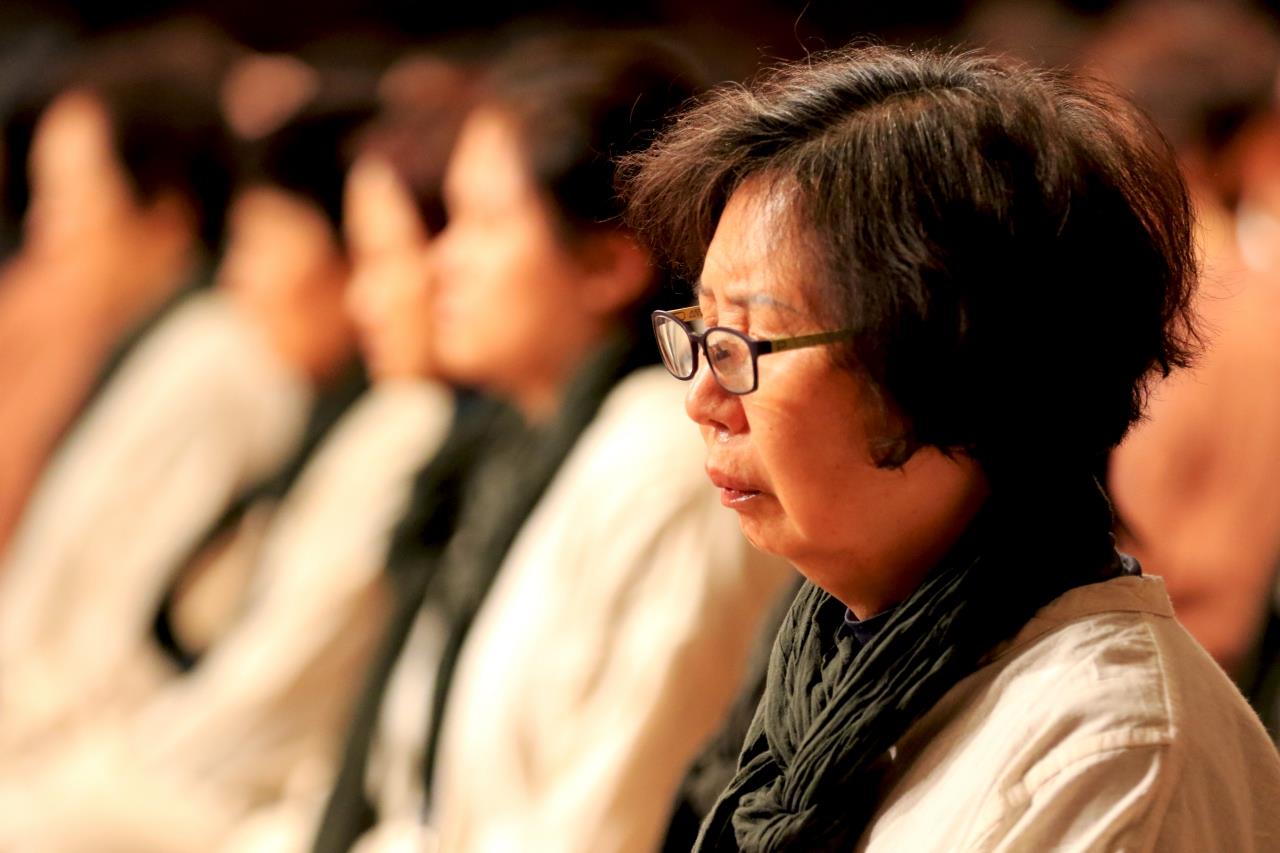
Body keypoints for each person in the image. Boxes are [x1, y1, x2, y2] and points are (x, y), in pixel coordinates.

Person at [622, 45, 1280, 850]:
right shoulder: (835, 657)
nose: (703, 399)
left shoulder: (1111, 751)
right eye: (705, 329)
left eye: (750, 340)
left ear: (952, 367)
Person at [313, 33, 790, 853]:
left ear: (608, 263)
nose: (441, 263)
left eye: (484, 222)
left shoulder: (670, 466)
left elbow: (608, 826)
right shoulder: (516, 453)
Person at [0, 76, 374, 761]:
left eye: (67, 196)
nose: (42, 227)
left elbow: (116, 645)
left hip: (106, 747)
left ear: (164, 216)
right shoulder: (165, 340)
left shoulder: (227, 358)